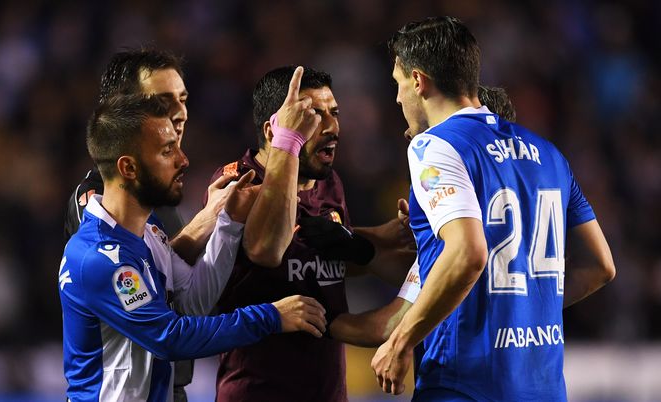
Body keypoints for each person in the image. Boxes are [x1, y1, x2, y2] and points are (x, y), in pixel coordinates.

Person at [371, 17, 616, 401]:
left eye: (398, 85)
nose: (399, 98)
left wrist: (401, 340)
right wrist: (522, 309)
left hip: (465, 383)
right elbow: (602, 266)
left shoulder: (433, 146)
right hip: (544, 387)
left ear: (418, 81)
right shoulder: (550, 155)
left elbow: (468, 253)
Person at [58, 93, 327, 401]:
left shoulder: (148, 232)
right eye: (167, 150)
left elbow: (192, 302)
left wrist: (230, 223)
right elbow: (169, 338)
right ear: (129, 168)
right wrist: (270, 317)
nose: (183, 160)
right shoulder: (99, 257)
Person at [207, 66, 414, 402]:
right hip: (259, 392)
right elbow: (267, 249)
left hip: (327, 390)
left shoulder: (328, 184)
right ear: (274, 130)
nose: (331, 127)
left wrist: (374, 241)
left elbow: (322, 263)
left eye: (333, 113)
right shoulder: (238, 182)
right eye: (312, 116)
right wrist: (287, 149)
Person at [63, 49, 239, 400]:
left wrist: (228, 219)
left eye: (182, 98)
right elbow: (131, 270)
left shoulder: (164, 193)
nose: (178, 111)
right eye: (161, 100)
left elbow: (178, 285)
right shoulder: (99, 196)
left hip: (171, 387)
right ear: (125, 107)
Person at [329, 85, 518, 347]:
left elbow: (385, 326)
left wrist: (312, 319)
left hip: (459, 375)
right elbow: (595, 269)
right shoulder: (524, 205)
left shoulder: (454, 238)